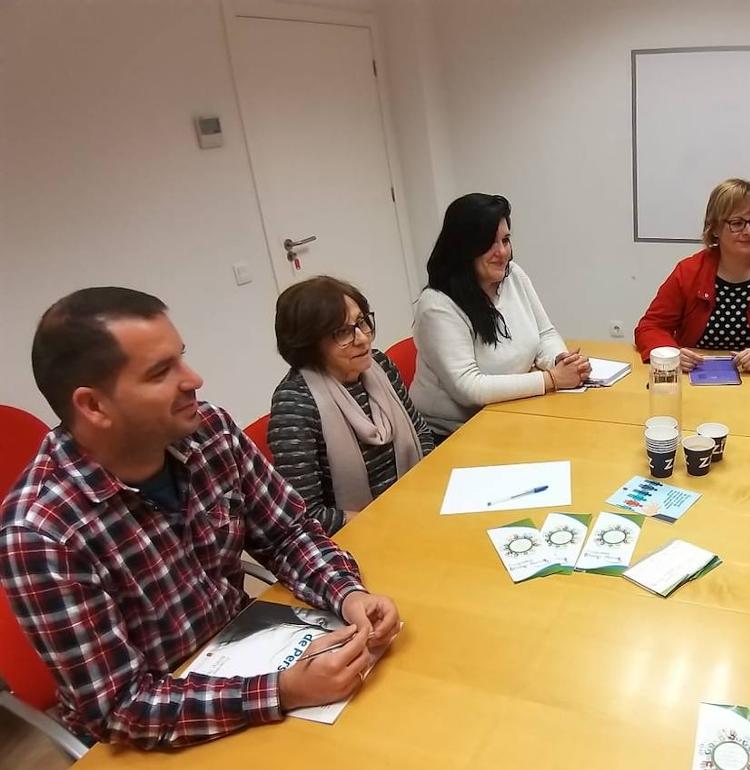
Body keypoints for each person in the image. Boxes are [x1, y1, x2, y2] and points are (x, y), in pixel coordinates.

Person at [0, 287, 402, 748]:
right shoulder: (41, 534)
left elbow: (288, 533)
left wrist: (347, 594)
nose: (194, 379)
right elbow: (121, 707)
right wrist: (283, 690)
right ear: (93, 406)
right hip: (166, 722)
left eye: (182, 358)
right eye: (160, 372)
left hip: (252, 653)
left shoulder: (209, 432)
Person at [411, 193, 589, 439]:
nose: (502, 252)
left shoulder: (513, 275)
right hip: (453, 435)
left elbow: (544, 333)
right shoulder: (437, 306)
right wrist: (551, 379)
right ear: (463, 248)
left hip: (511, 414)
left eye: (505, 240)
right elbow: (469, 389)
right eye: (489, 243)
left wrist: (559, 360)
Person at [268, 276, 436, 534]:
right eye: (343, 332)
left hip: (415, 504)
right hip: (361, 532)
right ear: (309, 343)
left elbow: (421, 432)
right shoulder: (295, 404)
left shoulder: (380, 366)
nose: (362, 339)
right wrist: (384, 522)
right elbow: (305, 514)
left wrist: (422, 491)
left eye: (361, 322)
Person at [634, 178, 750, 373]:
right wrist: (672, 354)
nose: (748, 232)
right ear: (715, 228)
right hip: (695, 376)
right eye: (737, 223)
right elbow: (650, 327)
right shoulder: (688, 271)